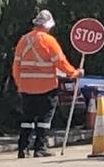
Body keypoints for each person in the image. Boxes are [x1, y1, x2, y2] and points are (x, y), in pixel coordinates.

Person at [11, 9, 84, 158]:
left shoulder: (23, 40)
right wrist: (75, 73)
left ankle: (23, 149)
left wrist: (19, 84)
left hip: (26, 88)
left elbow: (16, 65)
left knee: (27, 119)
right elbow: (61, 62)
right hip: (46, 87)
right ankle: (40, 148)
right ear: (47, 25)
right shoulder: (49, 41)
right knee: (44, 119)